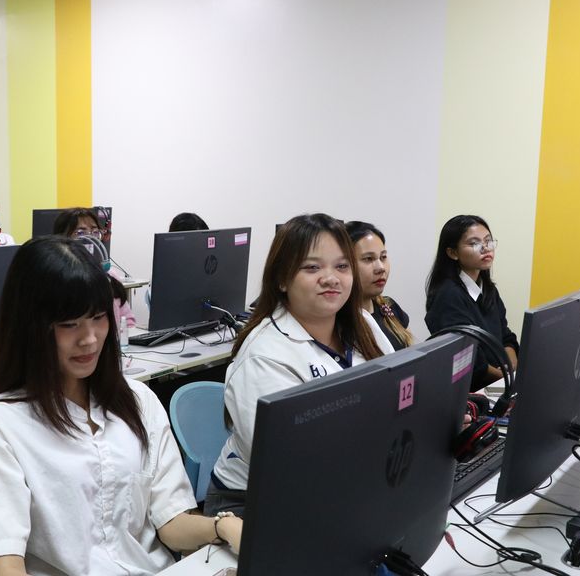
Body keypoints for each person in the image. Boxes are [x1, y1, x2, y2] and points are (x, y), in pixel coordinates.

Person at [0, 236, 242, 575]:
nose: (90, 338)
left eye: (98, 318)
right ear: (30, 328)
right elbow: (3, 565)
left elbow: (171, 522)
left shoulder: (138, 401)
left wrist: (224, 527)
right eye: (69, 324)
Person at [205, 213, 395, 516]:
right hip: (257, 502)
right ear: (282, 278)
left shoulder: (362, 323)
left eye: (342, 266)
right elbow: (291, 463)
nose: (331, 278)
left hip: (350, 481)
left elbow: (394, 391)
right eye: (312, 267)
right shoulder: (264, 356)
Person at [424, 215, 518, 392]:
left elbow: (506, 337)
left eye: (488, 241)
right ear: (453, 253)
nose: (485, 248)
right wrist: (508, 379)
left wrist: (511, 368)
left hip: (498, 384)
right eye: (474, 243)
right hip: (469, 392)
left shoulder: (488, 289)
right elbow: (469, 362)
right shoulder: (448, 296)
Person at [53, 207, 136, 331]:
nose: (90, 238)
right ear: (62, 238)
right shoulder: (57, 279)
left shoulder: (110, 276)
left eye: (95, 232)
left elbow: (128, 321)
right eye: (80, 233)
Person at [345, 221, 414, 350]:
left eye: (383, 257)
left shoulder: (389, 306)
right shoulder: (336, 322)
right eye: (368, 259)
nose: (381, 268)